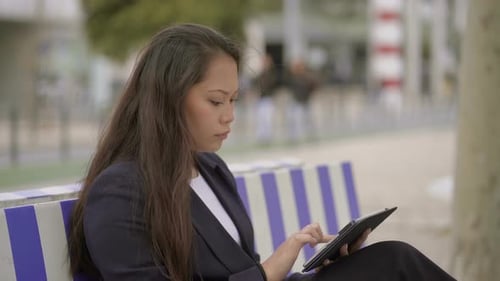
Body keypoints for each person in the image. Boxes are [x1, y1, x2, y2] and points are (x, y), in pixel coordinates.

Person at [68, 23, 456, 281]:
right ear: (168, 98)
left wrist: (319, 263)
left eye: (234, 100)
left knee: (391, 261)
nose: (230, 116)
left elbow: (245, 270)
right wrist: (271, 268)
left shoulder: (211, 170)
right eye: (216, 101)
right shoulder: (120, 191)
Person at [254, 53, 280, 145]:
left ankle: (268, 137)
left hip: (269, 99)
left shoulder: (272, 73)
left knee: (267, 119)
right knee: (261, 118)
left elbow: (272, 84)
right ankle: (262, 137)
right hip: (261, 99)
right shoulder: (261, 74)